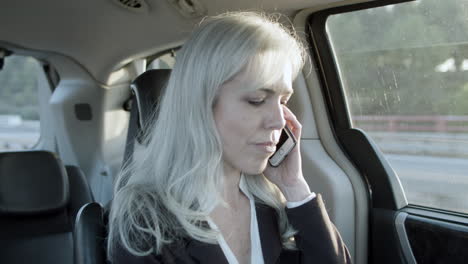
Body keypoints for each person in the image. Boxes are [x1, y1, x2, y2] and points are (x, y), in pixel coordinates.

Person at [107, 11, 351, 264]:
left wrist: (294, 186)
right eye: (257, 100)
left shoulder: (273, 204)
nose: (279, 121)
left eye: (283, 101)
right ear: (199, 104)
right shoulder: (145, 220)